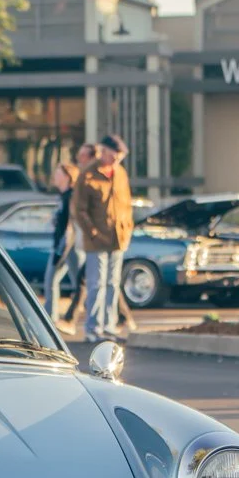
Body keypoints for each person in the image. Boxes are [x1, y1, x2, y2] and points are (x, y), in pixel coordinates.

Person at [71, 134, 133, 342]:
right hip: (96, 239)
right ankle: (93, 327)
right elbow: (80, 209)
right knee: (96, 284)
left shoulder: (121, 173)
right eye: (114, 156)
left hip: (119, 237)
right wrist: (93, 232)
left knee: (113, 283)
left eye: (119, 157)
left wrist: (128, 228)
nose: (116, 160)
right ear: (103, 151)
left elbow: (126, 204)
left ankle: (109, 324)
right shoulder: (88, 175)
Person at [59, 143, 96, 326]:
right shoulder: (84, 179)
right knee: (96, 280)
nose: (79, 160)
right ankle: (124, 317)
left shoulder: (92, 179)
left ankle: (70, 318)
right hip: (85, 239)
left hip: (95, 239)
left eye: (83, 156)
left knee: (84, 280)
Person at [43, 159, 79, 325]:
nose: (55, 177)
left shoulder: (70, 196)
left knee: (79, 284)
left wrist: (61, 248)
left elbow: (69, 225)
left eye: (58, 174)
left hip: (68, 246)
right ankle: (51, 316)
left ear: (67, 176)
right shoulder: (63, 196)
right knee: (53, 280)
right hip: (62, 244)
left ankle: (57, 317)